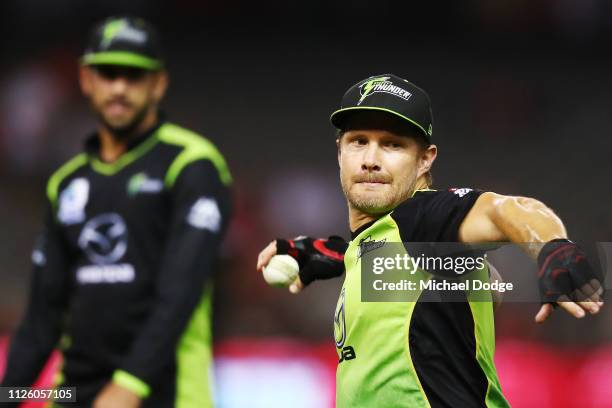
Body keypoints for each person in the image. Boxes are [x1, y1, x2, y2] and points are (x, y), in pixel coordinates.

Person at [257, 74, 604, 407]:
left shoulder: (424, 217)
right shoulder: (391, 239)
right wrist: (332, 253)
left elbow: (510, 210)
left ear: (425, 159)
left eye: (392, 144)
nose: (371, 160)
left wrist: (553, 247)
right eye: (358, 141)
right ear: (339, 152)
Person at [0, 16, 232, 408]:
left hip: (163, 394)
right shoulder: (66, 182)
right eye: (108, 74)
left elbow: (180, 294)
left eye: (134, 76)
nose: (120, 88)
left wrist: (128, 386)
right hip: (74, 394)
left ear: (158, 83)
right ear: (86, 80)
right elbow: (42, 321)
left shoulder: (191, 165)